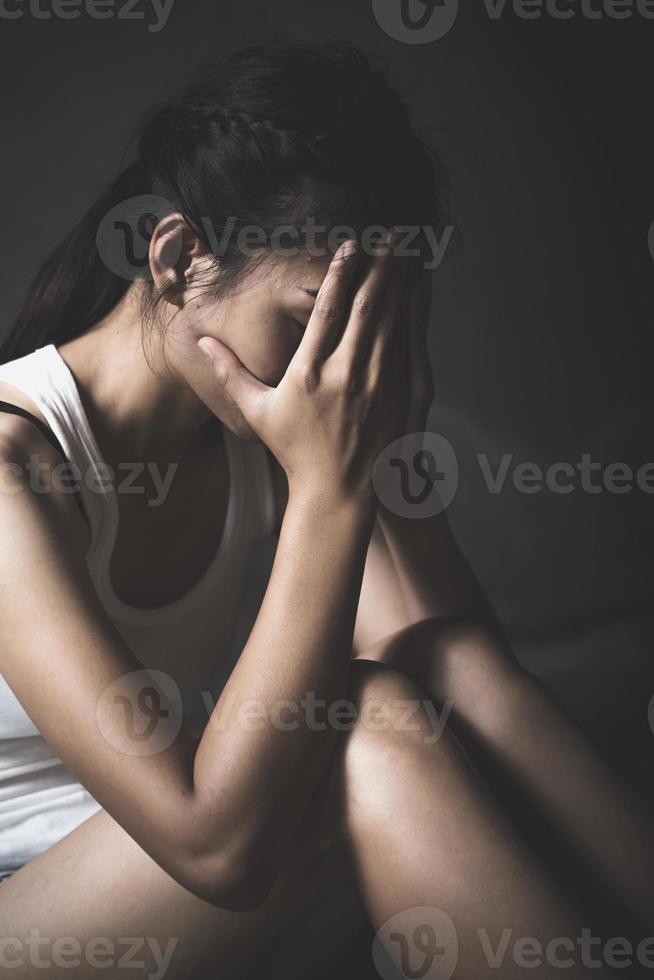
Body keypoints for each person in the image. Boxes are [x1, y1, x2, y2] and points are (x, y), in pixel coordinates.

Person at [0, 37, 651, 980]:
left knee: (439, 665)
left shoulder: (276, 424)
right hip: (37, 904)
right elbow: (213, 844)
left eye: (364, 335)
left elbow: (459, 672)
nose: (338, 375)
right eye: (314, 321)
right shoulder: (17, 462)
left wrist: (379, 455)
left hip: (200, 906)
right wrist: (335, 486)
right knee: (369, 721)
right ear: (180, 257)